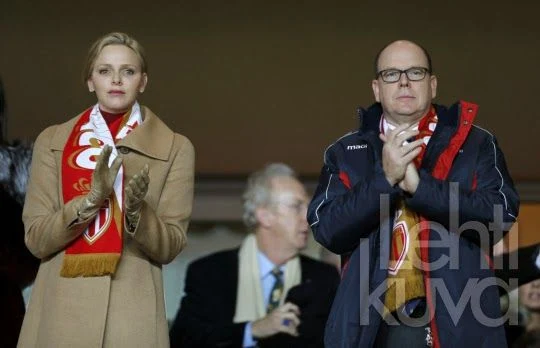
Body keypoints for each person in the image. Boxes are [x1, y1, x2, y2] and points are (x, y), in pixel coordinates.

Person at [307, 39, 519, 347]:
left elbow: (500, 216)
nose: (404, 81)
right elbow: (327, 230)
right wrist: (385, 180)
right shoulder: (345, 152)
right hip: (370, 326)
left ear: (432, 85)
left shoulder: (476, 143)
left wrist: (420, 188)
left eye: (415, 72)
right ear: (376, 88)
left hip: (460, 324)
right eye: (391, 74)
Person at [17, 32, 195, 348]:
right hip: (61, 315)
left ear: (142, 81)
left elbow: (170, 246)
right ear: (90, 81)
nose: (116, 80)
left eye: (128, 71)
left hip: (132, 317)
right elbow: (36, 240)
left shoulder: (176, 148)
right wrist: (88, 203)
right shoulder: (53, 142)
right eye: (104, 71)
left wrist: (137, 211)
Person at [169, 163, 340, 347]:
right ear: (264, 215)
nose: (308, 216)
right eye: (296, 207)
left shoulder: (324, 278)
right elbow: (183, 340)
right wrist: (253, 330)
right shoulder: (209, 272)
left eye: (308, 207)